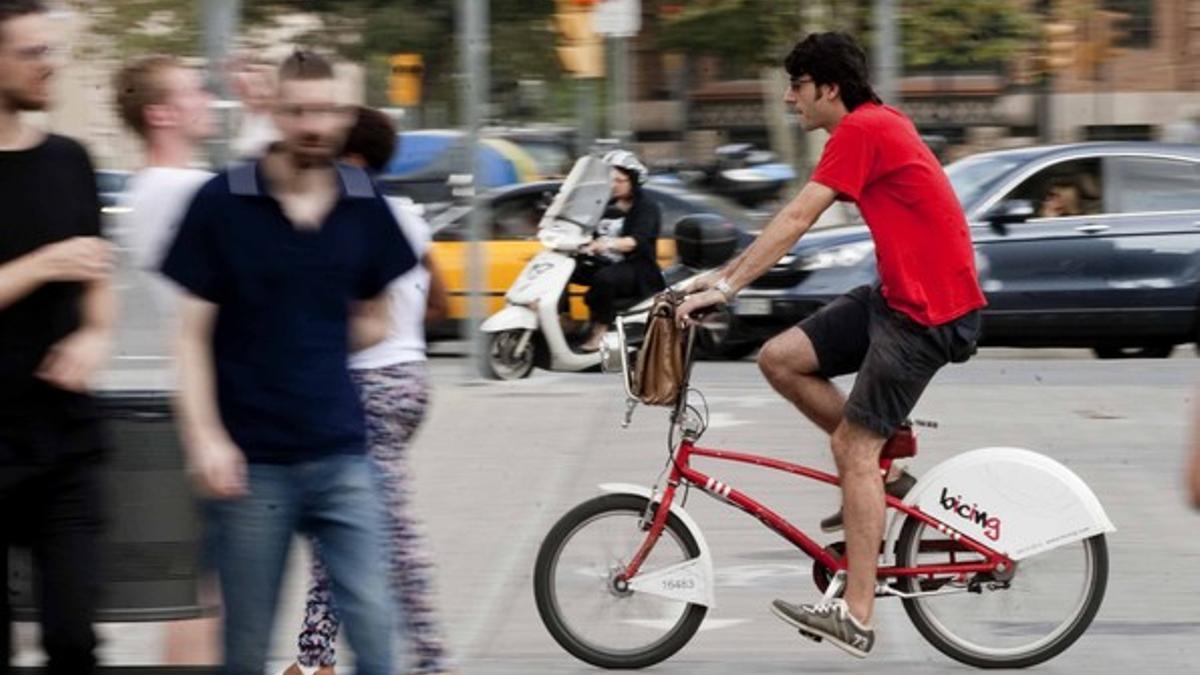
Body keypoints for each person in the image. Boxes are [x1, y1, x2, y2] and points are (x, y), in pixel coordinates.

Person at [676, 32, 985, 658]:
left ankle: (859, 614)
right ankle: (888, 472)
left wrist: (731, 286)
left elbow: (795, 218)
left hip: (929, 313)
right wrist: (717, 276)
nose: (790, 99)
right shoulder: (871, 125)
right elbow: (786, 223)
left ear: (829, 88)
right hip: (896, 298)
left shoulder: (864, 129)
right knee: (780, 358)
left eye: (797, 86)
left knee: (852, 444)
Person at [160, 50, 416, 675]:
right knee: (246, 647)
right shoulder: (222, 202)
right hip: (252, 467)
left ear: (344, 116)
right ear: (274, 111)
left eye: (326, 111)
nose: (312, 125)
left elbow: (376, 317)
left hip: (341, 453)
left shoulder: (365, 202)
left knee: (378, 634)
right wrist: (205, 440)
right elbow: (190, 338)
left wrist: (308, 337)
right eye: (298, 110)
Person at [284, 106, 451, 675]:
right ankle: (313, 660)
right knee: (342, 520)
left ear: (351, 158)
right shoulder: (405, 212)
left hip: (369, 385)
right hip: (409, 379)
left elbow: (346, 310)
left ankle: (432, 659)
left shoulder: (350, 215)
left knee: (390, 533)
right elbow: (441, 300)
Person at [0, 2, 116, 672]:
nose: (51, 64)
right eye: (32, 52)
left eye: (53, 50)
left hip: (65, 442)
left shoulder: (71, 159)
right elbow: (62, 261)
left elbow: (98, 277)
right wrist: (43, 263)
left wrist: (96, 335)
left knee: (74, 639)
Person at [113, 53, 220, 665]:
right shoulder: (181, 188)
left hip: (198, 388)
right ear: (161, 114)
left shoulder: (150, 187)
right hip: (214, 395)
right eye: (194, 91)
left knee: (206, 584)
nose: (206, 98)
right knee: (207, 588)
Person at [573, 149, 665, 352]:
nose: (613, 185)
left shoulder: (646, 207)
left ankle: (600, 330)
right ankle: (564, 320)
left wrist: (606, 244)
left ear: (634, 180)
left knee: (605, 279)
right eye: (611, 180)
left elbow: (636, 241)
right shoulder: (604, 204)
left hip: (637, 266)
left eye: (620, 180)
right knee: (567, 270)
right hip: (606, 261)